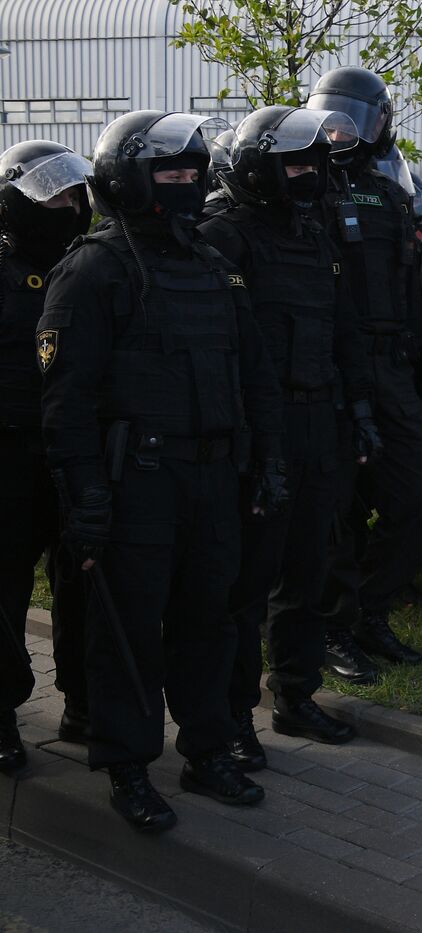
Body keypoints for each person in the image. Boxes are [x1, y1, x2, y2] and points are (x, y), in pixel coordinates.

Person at [40, 110, 287, 831]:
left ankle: (207, 751)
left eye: (192, 171)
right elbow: (68, 397)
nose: (185, 183)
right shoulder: (94, 269)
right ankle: (127, 765)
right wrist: (83, 492)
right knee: (128, 634)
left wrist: (267, 461)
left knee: (206, 623)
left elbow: (256, 376)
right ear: (126, 179)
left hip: (214, 481)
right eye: (168, 172)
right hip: (135, 483)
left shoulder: (213, 266)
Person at [198, 106, 380, 763]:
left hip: (318, 422)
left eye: (315, 164)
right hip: (257, 432)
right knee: (248, 585)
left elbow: (344, 330)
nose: (309, 176)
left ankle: (296, 697)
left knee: (307, 571)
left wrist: (359, 408)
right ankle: (233, 717)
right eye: (295, 164)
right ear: (260, 168)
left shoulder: (316, 233)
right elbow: (220, 352)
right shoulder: (225, 235)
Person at [306, 67, 422, 683]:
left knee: (413, 499)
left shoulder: (394, 195)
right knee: (339, 510)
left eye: (362, 115)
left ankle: (372, 612)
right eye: (336, 113)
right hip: (332, 368)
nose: (347, 128)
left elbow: (414, 288)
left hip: (391, 367)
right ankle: (333, 626)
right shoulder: (303, 189)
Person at [0, 140, 93, 773]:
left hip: (78, 450)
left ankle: (84, 702)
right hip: (9, 452)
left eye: (73, 194)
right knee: (5, 586)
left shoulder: (92, 264)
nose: (67, 206)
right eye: (52, 195)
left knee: (84, 579)